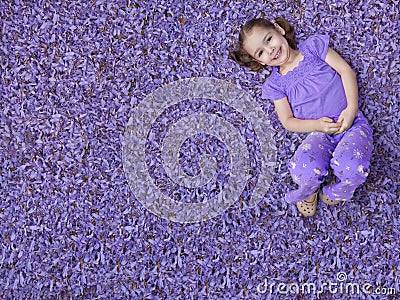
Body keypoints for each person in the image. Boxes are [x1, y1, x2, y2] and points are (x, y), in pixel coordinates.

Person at [230, 17, 373, 217]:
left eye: (269, 39)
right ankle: (308, 190)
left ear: (279, 30)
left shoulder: (312, 48)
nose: (270, 50)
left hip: (352, 124)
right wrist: (317, 126)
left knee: (352, 166)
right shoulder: (276, 85)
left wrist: (351, 109)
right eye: (261, 52)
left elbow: (345, 70)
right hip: (318, 134)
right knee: (302, 168)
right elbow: (288, 121)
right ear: (259, 61)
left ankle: (339, 189)